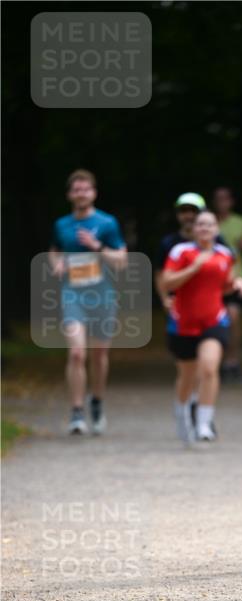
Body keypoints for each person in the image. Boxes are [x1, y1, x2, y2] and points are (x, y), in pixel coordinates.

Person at [49, 169, 127, 435]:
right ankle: (76, 411)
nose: (81, 193)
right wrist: (57, 263)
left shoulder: (107, 223)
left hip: (102, 295)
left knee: (99, 355)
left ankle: (97, 401)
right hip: (73, 294)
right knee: (76, 353)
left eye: (85, 189)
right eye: (76, 189)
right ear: (70, 195)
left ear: (94, 193)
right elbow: (55, 250)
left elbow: (121, 260)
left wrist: (97, 247)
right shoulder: (61, 224)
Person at [162, 211, 238, 443]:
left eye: (209, 224)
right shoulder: (181, 251)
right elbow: (167, 282)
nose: (205, 228)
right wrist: (194, 268)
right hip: (183, 323)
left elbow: (225, 284)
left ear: (216, 229)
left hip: (214, 320)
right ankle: (182, 412)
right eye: (200, 224)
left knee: (208, 368)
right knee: (187, 376)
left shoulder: (225, 254)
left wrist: (238, 284)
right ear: (193, 229)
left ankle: (204, 422)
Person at [212, 187, 242, 382]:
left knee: (233, 318)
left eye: (225, 198)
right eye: (218, 198)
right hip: (211, 279)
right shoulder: (208, 222)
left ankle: (232, 361)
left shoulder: (241, 223)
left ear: (231, 201)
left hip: (235, 276)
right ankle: (214, 362)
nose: (222, 202)